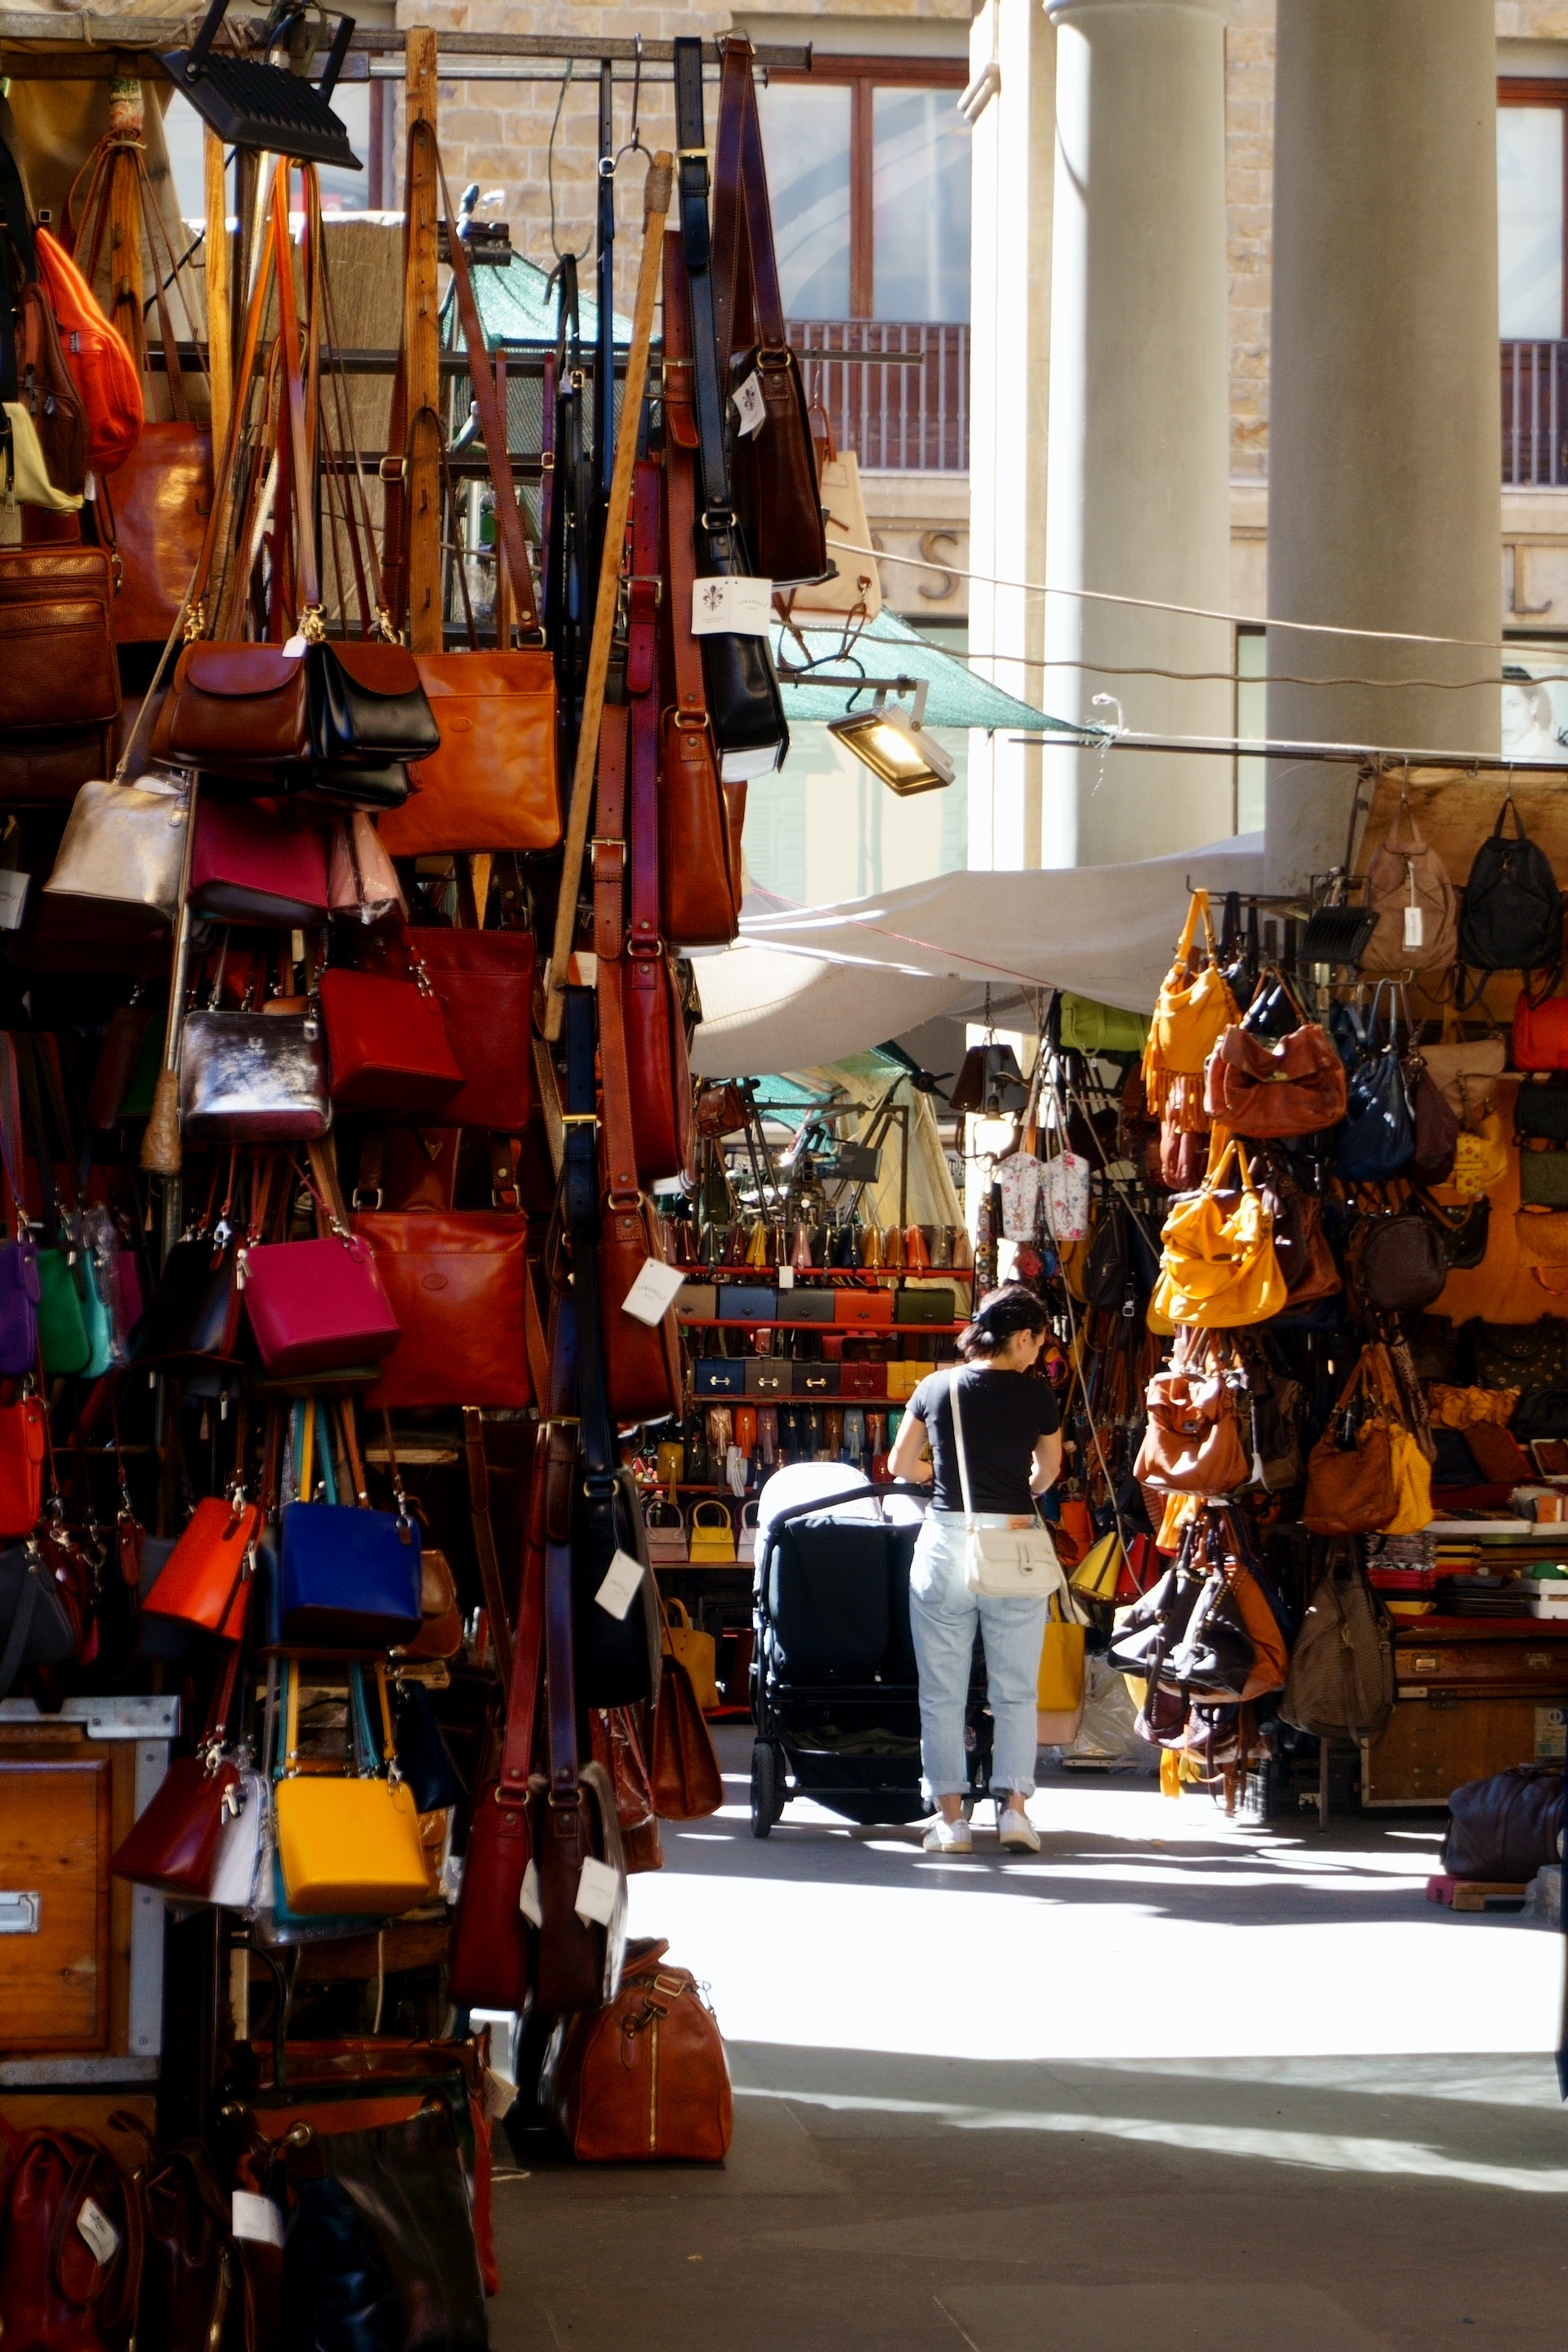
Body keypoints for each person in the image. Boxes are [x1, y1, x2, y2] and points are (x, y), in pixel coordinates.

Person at [885, 1284, 1063, 1855]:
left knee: (942, 1693)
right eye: (1038, 1341)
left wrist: (944, 1476)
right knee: (1014, 1691)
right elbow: (1047, 1472)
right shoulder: (1038, 1397)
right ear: (1024, 1336)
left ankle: (951, 1820)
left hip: (945, 1542)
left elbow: (899, 1465)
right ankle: (1013, 1813)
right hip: (1011, 1544)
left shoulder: (935, 1387)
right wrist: (1014, 1491)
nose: (1039, 1353)